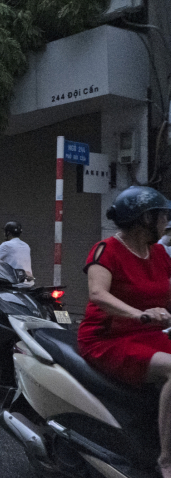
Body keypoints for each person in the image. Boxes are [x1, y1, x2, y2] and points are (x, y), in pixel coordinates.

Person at [76, 186, 171, 477]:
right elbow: (98, 294)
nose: (166, 222)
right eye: (162, 216)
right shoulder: (107, 249)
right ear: (146, 219)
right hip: (107, 338)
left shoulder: (158, 253)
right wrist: (139, 314)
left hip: (148, 334)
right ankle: (166, 460)